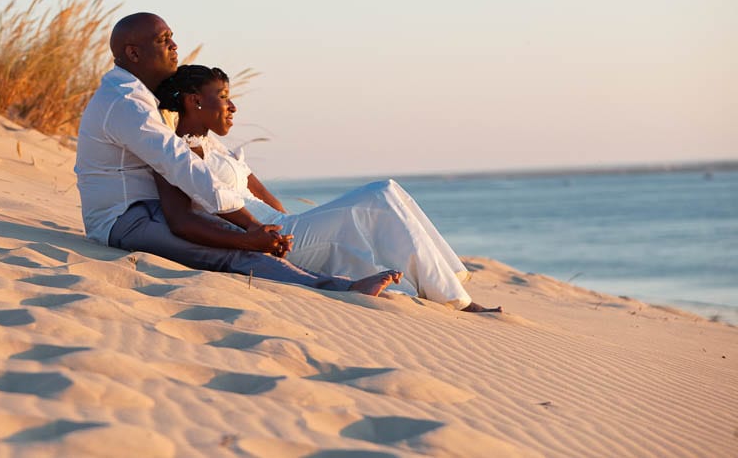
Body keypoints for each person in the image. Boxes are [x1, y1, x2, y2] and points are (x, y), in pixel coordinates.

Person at [74, 12, 402, 296]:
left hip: (150, 211)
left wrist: (250, 228)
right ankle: (339, 289)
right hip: (123, 221)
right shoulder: (125, 103)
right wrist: (250, 227)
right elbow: (180, 164)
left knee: (234, 240)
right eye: (163, 40)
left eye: (172, 37)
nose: (174, 46)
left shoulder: (141, 99)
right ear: (133, 52)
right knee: (228, 252)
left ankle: (338, 283)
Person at [153, 64, 501, 313]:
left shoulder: (218, 149)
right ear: (193, 101)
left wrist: (297, 228)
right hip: (259, 239)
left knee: (389, 192)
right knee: (380, 194)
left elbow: (267, 200)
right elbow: (180, 220)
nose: (233, 107)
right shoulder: (174, 153)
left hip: (283, 233)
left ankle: (446, 287)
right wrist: (256, 238)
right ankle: (455, 300)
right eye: (223, 97)